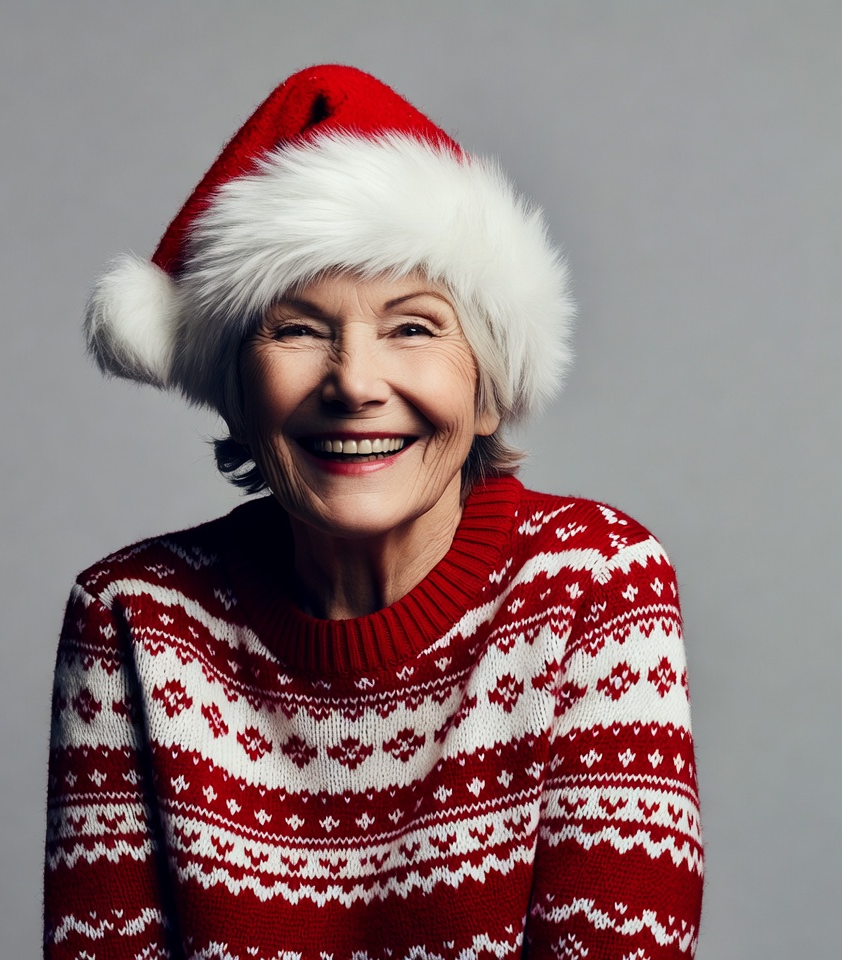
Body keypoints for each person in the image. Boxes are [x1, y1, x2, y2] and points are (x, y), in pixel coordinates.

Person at [44, 65, 703, 959]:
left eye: (413, 327)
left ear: (489, 390)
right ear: (236, 391)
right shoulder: (134, 617)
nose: (354, 383)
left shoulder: (596, 584)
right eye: (298, 329)